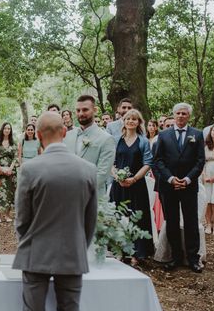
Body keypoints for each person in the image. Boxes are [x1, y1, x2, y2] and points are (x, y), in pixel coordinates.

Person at [13, 111, 97, 311]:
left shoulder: (30, 169)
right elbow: (90, 222)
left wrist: (30, 241)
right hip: (72, 254)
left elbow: (22, 221)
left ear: (38, 136)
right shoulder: (87, 170)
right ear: (64, 132)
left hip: (36, 253)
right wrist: (77, 246)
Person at [154, 102, 205, 273]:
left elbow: (200, 161)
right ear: (174, 115)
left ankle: (193, 258)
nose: (181, 116)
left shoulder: (197, 134)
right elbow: (158, 160)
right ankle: (175, 257)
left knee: (191, 222)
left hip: (189, 186)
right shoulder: (164, 135)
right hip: (169, 186)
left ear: (188, 116)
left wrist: (188, 179)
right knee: (172, 222)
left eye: (184, 113)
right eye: (178, 113)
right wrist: (170, 178)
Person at [109, 109, 154, 266]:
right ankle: (120, 251)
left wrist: (133, 178)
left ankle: (137, 253)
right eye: (128, 118)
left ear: (139, 122)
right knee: (118, 218)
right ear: (124, 121)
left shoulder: (143, 141)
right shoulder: (116, 140)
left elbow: (148, 163)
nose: (131, 121)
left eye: (134, 119)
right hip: (118, 185)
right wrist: (118, 177)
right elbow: (110, 162)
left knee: (137, 219)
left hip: (136, 185)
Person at [64, 95, 116, 196]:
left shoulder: (106, 139)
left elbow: (102, 174)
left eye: (85, 110)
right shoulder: (67, 136)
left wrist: (76, 190)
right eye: (78, 110)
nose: (81, 113)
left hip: (93, 199)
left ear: (95, 110)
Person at [0, 122, 18, 223]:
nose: (7, 130)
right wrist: (0, 168)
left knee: (10, 192)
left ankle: (7, 215)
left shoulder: (13, 142)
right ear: (2, 130)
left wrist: (11, 169)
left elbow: (16, 157)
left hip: (11, 171)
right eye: (5, 128)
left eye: (9, 128)